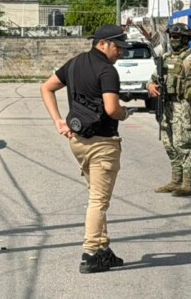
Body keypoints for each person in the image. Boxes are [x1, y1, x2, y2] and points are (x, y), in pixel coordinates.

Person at [40, 25, 131, 274]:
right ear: (103, 44)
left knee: (96, 194)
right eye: (118, 47)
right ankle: (90, 253)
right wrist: (125, 113)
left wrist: (58, 121)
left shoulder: (75, 62)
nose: (120, 53)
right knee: (98, 200)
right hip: (103, 143)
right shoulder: (107, 71)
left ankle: (102, 248)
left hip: (79, 141)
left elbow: (46, 87)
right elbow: (112, 109)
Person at [147, 23, 191, 196]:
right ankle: (176, 180)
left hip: (183, 106)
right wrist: (150, 86)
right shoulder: (165, 58)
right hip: (166, 105)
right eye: (172, 37)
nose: (173, 40)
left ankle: (188, 183)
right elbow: (152, 79)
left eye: (176, 37)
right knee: (169, 144)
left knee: (183, 144)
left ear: (184, 38)